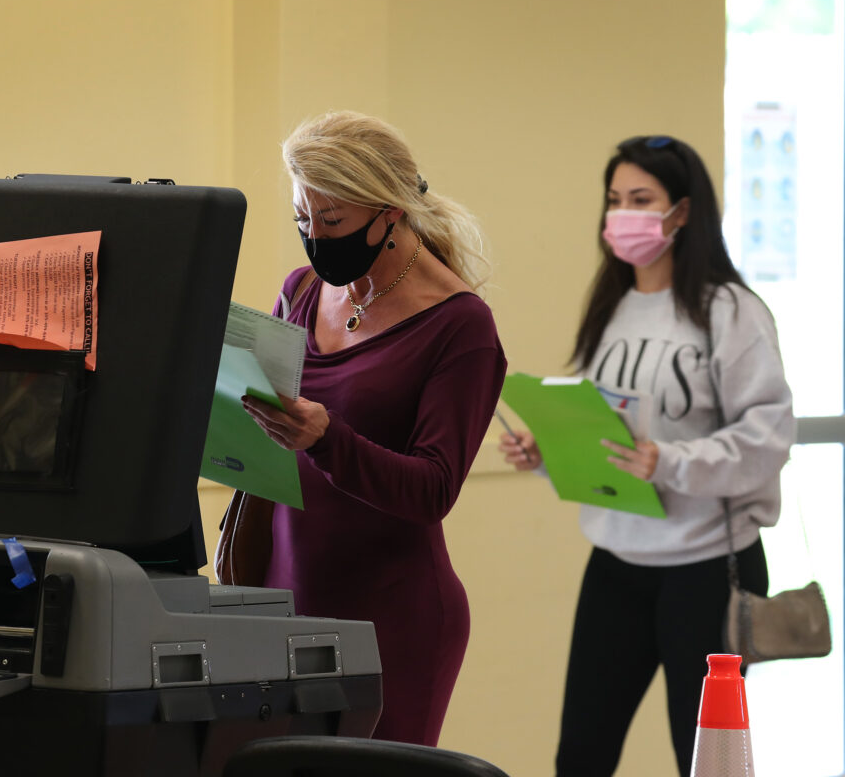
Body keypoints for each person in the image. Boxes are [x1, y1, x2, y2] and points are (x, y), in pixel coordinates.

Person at [498, 135, 795, 776]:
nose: (621, 214)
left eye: (641, 199)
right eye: (613, 200)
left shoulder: (730, 311)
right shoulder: (612, 306)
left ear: (681, 213)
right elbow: (601, 427)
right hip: (617, 561)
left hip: (709, 569)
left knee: (704, 760)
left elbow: (768, 435)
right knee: (581, 753)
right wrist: (545, 450)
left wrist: (671, 462)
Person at [241, 110, 507, 745]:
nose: (315, 238)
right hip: (287, 599)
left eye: (332, 222)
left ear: (389, 211)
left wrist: (327, 440)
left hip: (393, 617)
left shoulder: (459, 326)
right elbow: (267, 443)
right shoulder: (301, 291)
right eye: (303, 220)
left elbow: (434, 489)